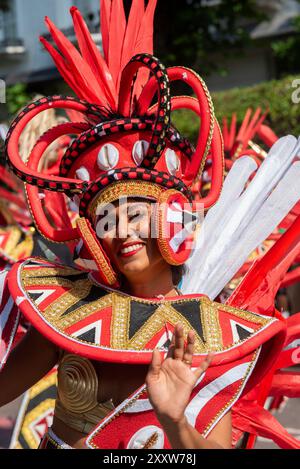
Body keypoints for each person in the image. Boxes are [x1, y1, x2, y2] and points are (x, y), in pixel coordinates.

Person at [0, 1, 291, 450]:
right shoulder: (69, 313)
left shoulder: (210, 333)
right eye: (107, 221)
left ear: (173, 217)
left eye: (135, 214)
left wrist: (174, 419)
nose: (122, 232)